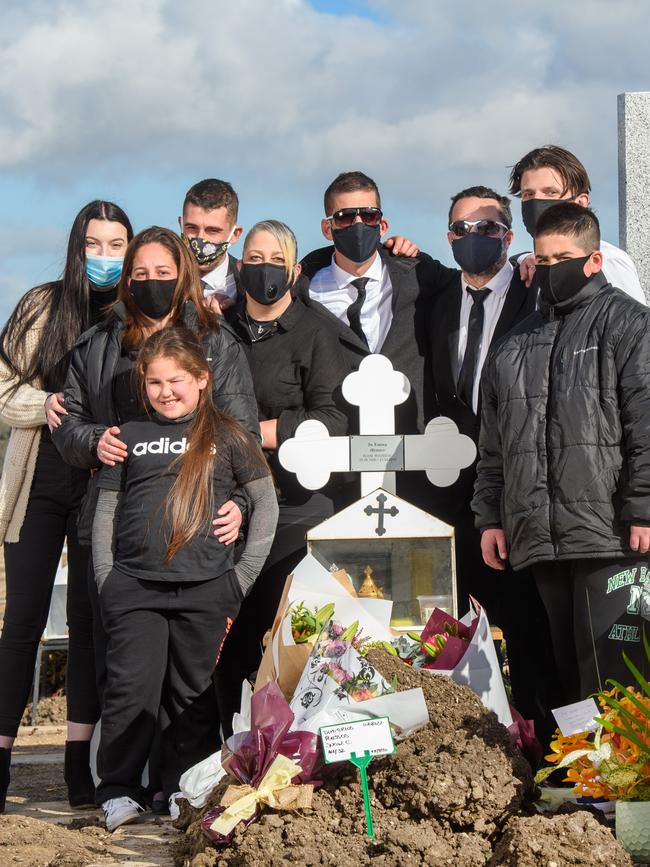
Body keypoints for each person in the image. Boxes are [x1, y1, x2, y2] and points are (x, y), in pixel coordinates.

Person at [473, 202, 650, 739]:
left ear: (594, 260)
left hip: (611, 536)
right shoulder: (513, 344)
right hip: (540, 538)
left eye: (564, 258)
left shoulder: (631, 325)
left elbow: (646, 423)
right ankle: (585, 792)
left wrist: (643, 504)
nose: (551, 271)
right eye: (541, 260)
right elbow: (494, 447)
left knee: (615, 674)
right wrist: (489, 517)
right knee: (567, 673)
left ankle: (630, 806)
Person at [91, 327, 277, 831]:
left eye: (176, 380)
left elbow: (265, 505)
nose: (165, 391)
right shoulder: (126, 436)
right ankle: (118, 792)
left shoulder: (230, 435)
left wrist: (241, 578)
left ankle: (178, 790)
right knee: (132, 689)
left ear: (201, 379)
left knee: (192, 695)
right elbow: (106, 510)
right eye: (154, 382)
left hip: (208, 589)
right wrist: (107, 577)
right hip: (133, 587)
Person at [0, 200, 133, 812]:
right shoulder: (40, 304)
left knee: (88, 626)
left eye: (116, 245)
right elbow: (4, 388)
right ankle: (2, 758)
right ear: (77, 244)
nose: (105, 257)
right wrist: (42, 404)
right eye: (95, 243)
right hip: (38, 485)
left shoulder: (135, 314)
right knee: (21, 622)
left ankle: (78, 766)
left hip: (101, 490)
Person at [216, 220, 349, 736]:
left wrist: (259, 432)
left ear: (293, 271)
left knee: (277, 633)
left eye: (275, 259)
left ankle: (285, 744)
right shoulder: (219, 331)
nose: (263, 267)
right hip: (225, 503)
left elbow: (334, 417)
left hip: (295, 505)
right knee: (224, 641)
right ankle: (222, 748)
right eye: (253, 257)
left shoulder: (315, 333)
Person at [424, 186, 543, 728]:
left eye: (488, 228)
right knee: (454, 622)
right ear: (448, 237)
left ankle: (547, 738)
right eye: (461, 229)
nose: (474, 238)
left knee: (527, 622)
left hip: (516, 482)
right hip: (449, 487)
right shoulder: (438, 296)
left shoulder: (533, 291)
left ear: (509, 237)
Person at [300, 171, 456, 510]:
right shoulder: (302, 290)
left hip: (415, 458)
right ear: (328, 228)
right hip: (335, 465)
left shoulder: (416, 273)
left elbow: (477, 283)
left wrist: (525, 262)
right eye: (345, 217)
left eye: (368, 215)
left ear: (382, 225)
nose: (358, 224)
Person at [509, 144, 646, 304]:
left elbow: (635, 323)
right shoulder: (533, 266)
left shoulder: (609, 261)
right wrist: (526, 257)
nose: (536, 202)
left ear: (580, 203)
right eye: (528, 194)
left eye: (551, 192)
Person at [179, 178, 243, 318]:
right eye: (192, 228)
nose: (200, 238)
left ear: (235, 234)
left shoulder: (247, 288)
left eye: (212, 230)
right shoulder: (161, 277)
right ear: (180, 225)